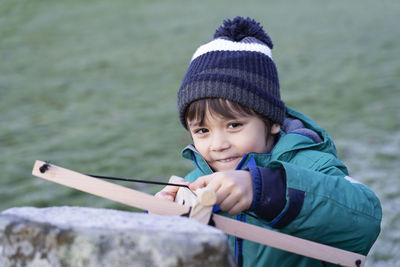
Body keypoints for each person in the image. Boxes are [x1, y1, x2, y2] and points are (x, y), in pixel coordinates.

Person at [155, 16, 382, 266]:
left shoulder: (311, 165)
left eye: (234, 125)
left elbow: (365, 220)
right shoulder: (194, 184)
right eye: (202, 131)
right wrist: (160, 220)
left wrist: (267, 190)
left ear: (273, 121)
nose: (218, 144)